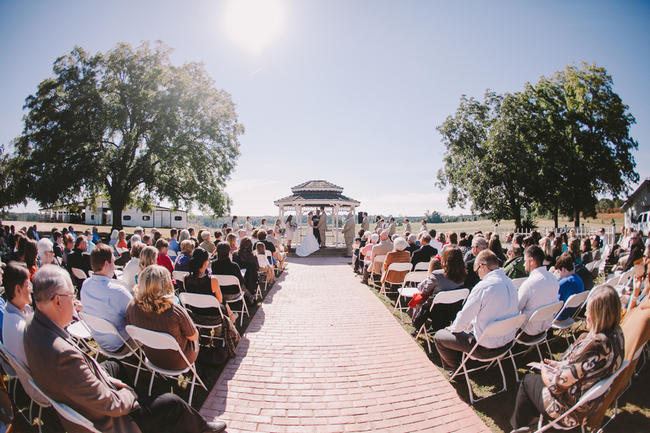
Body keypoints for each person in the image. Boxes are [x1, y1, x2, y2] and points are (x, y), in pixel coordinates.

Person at [25, 265, 226, 433]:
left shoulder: (32, 329)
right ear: (58, 301)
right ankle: (202, 428)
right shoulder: (63, 356)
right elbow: (111, 405)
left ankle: (142, 399)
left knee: (114, 365)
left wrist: (106, 378)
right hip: (112, 421)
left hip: (85, 396)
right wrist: (130, 395)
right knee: (172, 402)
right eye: (72, 295)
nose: (76, 302)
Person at [509, 285, 624, 432]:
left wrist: (545, 370)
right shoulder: (617, 335)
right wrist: (562, 364)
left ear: (598, 314)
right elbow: (584, 369)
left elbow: (555, 386)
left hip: (568, 411)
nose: (586, 313)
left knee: (528, 381)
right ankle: (530, 424)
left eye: (589, 310)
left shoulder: (596, 345)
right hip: (591, 404)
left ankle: (520, 428)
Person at [433, 250, 519, 373]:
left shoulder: (483, 286)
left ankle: (454, 370)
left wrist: (452, 329)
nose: (477, 274)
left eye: (477, 270)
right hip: (507, 343)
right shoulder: (510, 282)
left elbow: (464, 317)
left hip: (485, 347)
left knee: (439, 336)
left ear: (482, 266)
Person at [126, 265, 199, 371]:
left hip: (152, 357)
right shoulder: (174, 311)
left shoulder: (132, 307)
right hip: (179, 361)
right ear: (166, 284)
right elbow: (193, 336)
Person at [81, 244, 133, 354]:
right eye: (113, 262)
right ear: (106, 264)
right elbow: (136, 314)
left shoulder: (85, 285)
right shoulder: (118, 291)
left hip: (100, 340)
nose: (114, 266)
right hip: (120, 343)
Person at [411, 246, 467, 332]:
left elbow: (424, 291)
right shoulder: (464, 275)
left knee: (418, 299)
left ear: (445, 258)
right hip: (454, 310)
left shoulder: (437, 275)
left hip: (435, 311)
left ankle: (416, 324)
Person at [517, 246, 560, 339]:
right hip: (546, 327)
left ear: (531, 261)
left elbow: (516, 308)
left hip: (528, 331)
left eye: (525, 261)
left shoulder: (529, 284)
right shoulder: (552, 277)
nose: (524, 265)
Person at [2, 262, 32, 366]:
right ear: (18, 290)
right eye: (28, 285)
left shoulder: (8, 310)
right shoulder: (21, 329)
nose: (31, 289)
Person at [555, 252, 585, 321]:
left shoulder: (565, 282)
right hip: (572, 312)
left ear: (563, 269)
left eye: (559, 272)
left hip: (561, 315)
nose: (559, 274)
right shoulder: (578, 278)